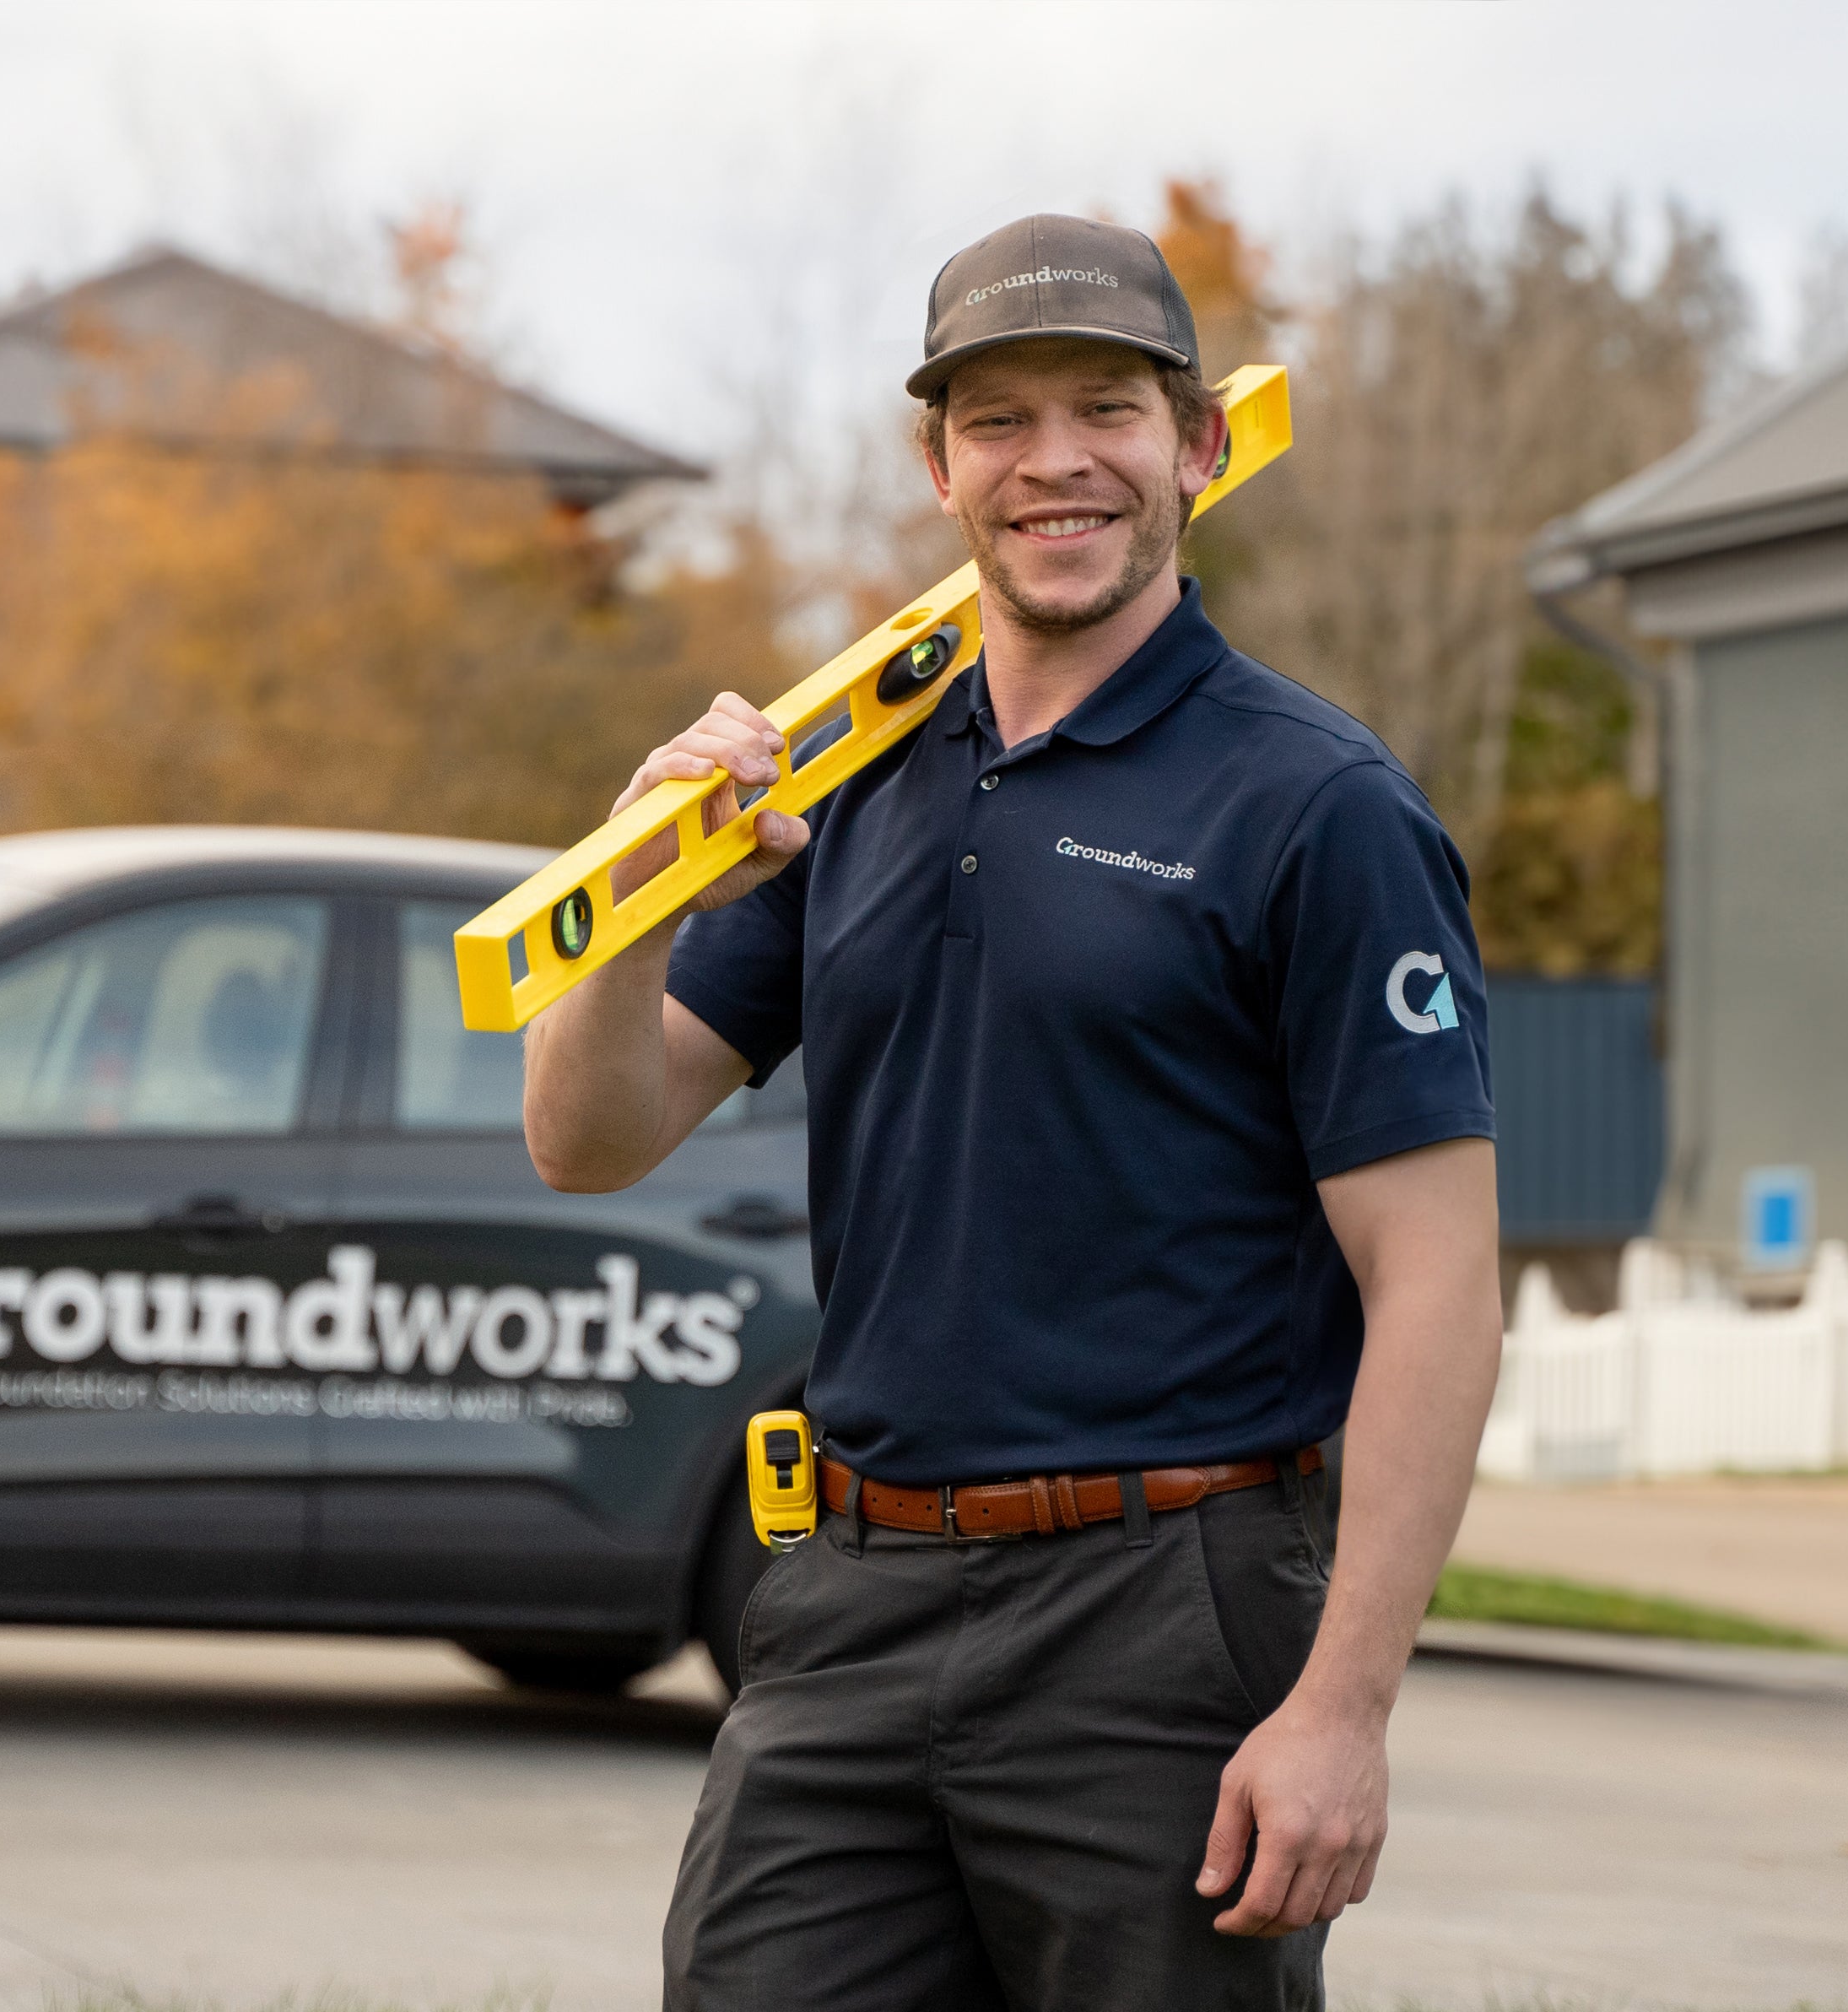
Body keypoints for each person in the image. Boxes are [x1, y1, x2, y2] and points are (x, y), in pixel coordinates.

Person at [522, 214, 1503, 2010]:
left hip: (1171, 1613)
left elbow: (1438, 1276)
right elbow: (591, 1136)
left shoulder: (1317, 805)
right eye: (998, 419)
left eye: (1108, 408)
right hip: (850, 1596)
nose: (1056, 460)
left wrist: (1342, 1708)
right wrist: (639, 888)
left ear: (1198, 445)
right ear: (941, 466)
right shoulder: (850, 780)